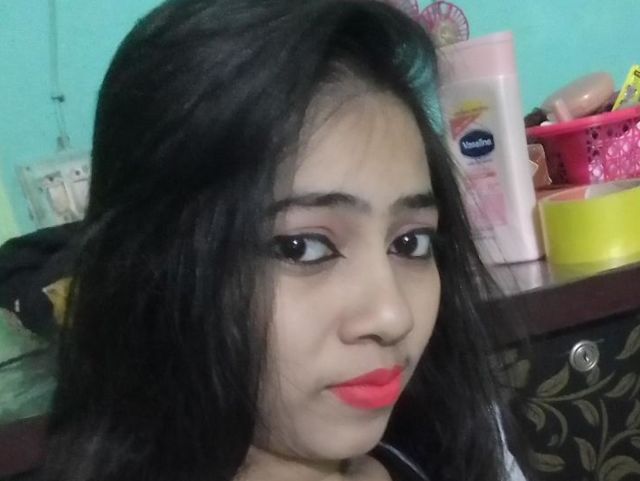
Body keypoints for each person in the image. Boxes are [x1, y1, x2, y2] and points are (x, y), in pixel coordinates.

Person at [35, 1, 527, 480]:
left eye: (410, 243)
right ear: (154, 269)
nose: (392, 316)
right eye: (304, 247)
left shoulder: (450, 444)